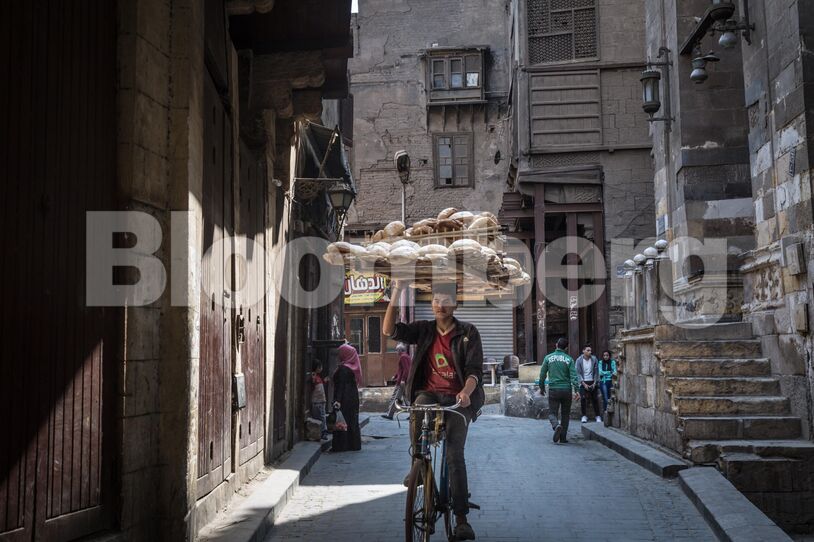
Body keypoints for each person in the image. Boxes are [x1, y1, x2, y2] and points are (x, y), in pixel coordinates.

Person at [383, 281, 483, 542]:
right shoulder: (424, 330)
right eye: (436, 300)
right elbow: (389, 330)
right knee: (419, 409)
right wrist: (397, 291)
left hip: (458, 400)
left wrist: (465, 393)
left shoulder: (468, 333)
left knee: (453, 456)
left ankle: (461, 519)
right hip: (428, 392)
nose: (441, 305)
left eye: (446, 301)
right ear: (432, 304)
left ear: (455, 304)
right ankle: (418, 462)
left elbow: (474, 372)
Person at [538, 337, 580, 444]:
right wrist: (577, 390)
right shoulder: (569, 359)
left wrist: (541, 387)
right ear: (566, 348)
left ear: (556, 345)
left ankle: (556, 425)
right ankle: (563, 438)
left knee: (552, 413)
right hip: (566, 390)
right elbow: (574, 376)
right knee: (565, 414)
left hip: (553, 390)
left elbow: (542, 375)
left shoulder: (548, 358)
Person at [331, 344, 363, 452]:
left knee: (342, 421)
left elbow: (340, 386)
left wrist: (337, 400)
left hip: (344, 399)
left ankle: (342, 445)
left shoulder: (344, 369)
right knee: (352, 421)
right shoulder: (352, 368)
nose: (339, 355)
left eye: (340, 353)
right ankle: (353, 444)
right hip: (353, 398)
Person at [382, 343, 412, 420]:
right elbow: (401, 370)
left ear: (399, 350)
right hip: (403, 381)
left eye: (396, 350)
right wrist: (395, 376)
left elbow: (406, 370)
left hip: (401, 382)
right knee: (406, 399)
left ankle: (390, 414)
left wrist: (402, 380)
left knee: (395, 398)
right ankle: (412, 414)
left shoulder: (403, 357)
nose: (396, 352)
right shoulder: (406, 356)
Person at [575, 345, 602, 423]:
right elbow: (578, 373)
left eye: (590, 350)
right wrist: (583, 384)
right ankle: (584, 416)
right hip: (583, 382)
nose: (590, 352)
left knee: (595, 399)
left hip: (592, 381)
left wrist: (594, 383)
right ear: (583, 351)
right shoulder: (579, 360)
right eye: (588, 350)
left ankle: (597, 416)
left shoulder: (594, 359)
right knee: (583, 399)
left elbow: (596, 372)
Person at [311, 362, 329, 440]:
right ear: (317, 368)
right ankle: (322, 432)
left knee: (322, 416)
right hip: (317, 400)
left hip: (321, 400)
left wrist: (324, 381)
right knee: (320, 416)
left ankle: (323, 432)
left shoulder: (318, 377)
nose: (321, 369)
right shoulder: (314, 376)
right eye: (320, 367)